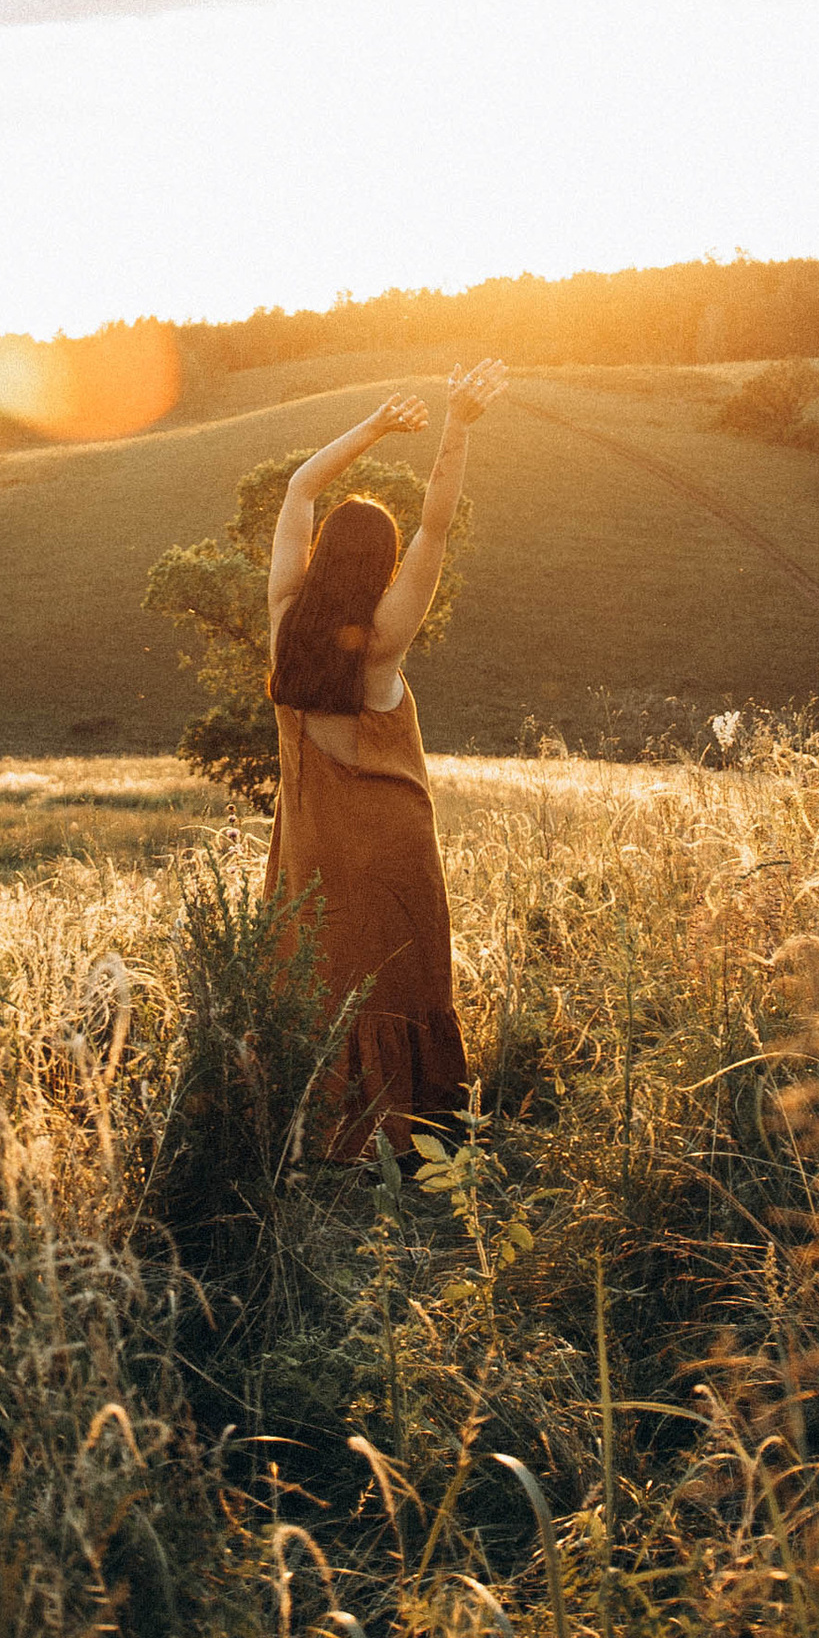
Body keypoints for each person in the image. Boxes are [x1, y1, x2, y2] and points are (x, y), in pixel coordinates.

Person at [262, 360, 509, 1157]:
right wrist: (457, 422)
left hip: (311, 847)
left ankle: (325, 1134)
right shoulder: (383, 642)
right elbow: (436, 526)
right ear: (380, 565)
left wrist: (373, 427)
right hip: (393, 845)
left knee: (320, 980)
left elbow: (300, 488)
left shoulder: (284, 620)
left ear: (323, 553)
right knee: (401, 983)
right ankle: (414, 1134)